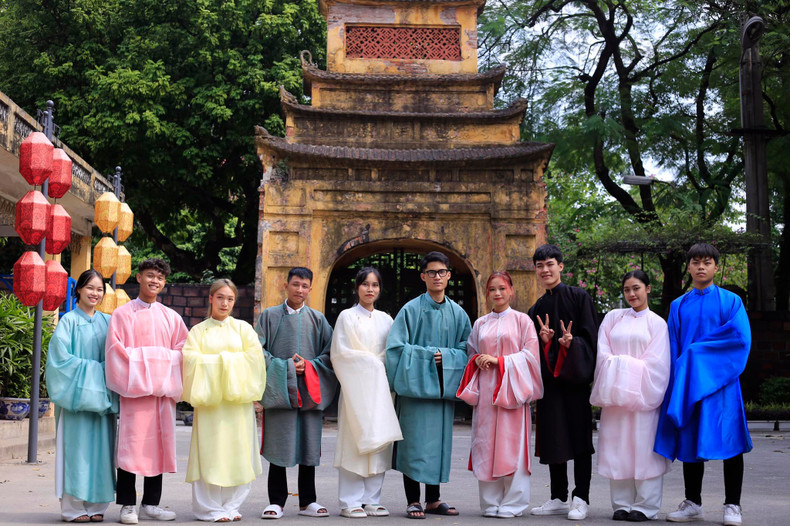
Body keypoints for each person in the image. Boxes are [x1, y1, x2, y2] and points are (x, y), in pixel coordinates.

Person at [654, 243, 752, 526]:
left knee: (731, 442)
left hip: (722, 384)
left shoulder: (731, 301)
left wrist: (696, 354)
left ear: (715, 267)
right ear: (688, 267)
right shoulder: (678, 306)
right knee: (689, 440)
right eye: (695, 262)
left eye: (707, 262)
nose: (701, 267)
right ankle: (693, 503)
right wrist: (676, 382)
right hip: (688, 385)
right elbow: (672, 348)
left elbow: (739, 339)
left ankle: (733, 505)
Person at [385, 251, 472, 519]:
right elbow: (395, 349)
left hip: (441, 393)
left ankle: (433, 499)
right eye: (431, 272)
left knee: (437, 445)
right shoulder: (410, 310)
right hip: (414, 391)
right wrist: (427, 357)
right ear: (423, 276)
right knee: (413, 444)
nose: (437, 277)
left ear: (448, 275)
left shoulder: (458, 314)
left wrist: (445, 357)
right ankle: (413, 500)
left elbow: (467, 350)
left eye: (441, 272)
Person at [105, 258, 188, 524]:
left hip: (162, 395)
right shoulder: (122, 314)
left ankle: (151, 503)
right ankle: (127, 504)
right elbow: (116, 353)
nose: (155, 281)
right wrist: (157, 361)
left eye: (160, 278)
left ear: (164, 283)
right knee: (130, 448)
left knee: (158, 447)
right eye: (150, 275)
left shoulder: (171, 317)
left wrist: (146, 360)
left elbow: (183, 352)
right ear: (139, 277)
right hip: (135, 394)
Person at [457, 271, 543, 518]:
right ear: (487, 294)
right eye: (492, 289)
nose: (497, 293)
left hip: (512, 391)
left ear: (511, 291)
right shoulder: (480, 324)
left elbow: (531, 356)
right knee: (486, 444)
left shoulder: (522, 321)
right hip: (486, 392)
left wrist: (500, 361)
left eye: (502, 288)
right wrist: (477, 360)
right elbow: (471, 352)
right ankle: (490, 502)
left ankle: (514, 503)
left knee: (512, 445)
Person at [255, 267, 337, 520]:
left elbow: (330, 354)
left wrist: (309, 366)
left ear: (310, 289)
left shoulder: (318, 319)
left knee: (308, 445)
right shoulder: (269, 317)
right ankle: (276, 501)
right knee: (279, 443)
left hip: (310, 390)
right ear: (286, 285)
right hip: (280, 391)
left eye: (304, 286)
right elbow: (257, 351)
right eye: (295, 284)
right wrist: (287, 367)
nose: (299, 290)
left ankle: (308, 501)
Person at [182, 279, 267, 522]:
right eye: (220, 297)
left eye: (230, 299)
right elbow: (190, 361)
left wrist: (215, 361)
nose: (224, 303)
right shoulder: (198, 331)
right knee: (209, 454)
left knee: (237, 452)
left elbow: (255, 360)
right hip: (210, 404)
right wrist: (227, 360)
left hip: (237, 404)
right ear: (211, 298)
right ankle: (208, 508)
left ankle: (231, 505)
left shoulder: (243, 329)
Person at [590, 270, 671, 522]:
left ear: (648, 288)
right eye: (627, 290)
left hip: (643, 398)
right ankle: (621, 503)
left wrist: (621, 368)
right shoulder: (613, 318)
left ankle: (646, 505)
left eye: (636, 288)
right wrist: (622, 370)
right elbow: (603, 354)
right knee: (618, 448)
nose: (631, 294)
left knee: (644, 449)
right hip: (615, 398)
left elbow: (658, 364)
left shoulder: (657, 324)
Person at [527, 244, 598, 521]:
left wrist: (572, 344)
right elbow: (531, 350)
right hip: (550, 385)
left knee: (580, 440)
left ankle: (581, 497)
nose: (545, 270)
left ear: (561, 266)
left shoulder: (579, 297)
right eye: (540, 266)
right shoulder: (536, 308)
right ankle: (558, 496)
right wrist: (546, 343)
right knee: (554, 438)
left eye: (550, 264)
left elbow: (591, 339)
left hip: (575, 382)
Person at [46, 269, 119, 523]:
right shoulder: (68, 321)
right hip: (75, 400)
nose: (95, 293)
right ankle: (73, 508)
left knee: (101, 453)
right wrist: (97, 372)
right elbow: (59, 362)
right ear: (78, 289)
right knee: (75, 453)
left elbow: (116, 358)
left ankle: (97, 505)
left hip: (101, 403)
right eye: (90, 288)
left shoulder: (108, 322)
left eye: (100, 289)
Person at [331, 267, 403, 518]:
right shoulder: (347, 317)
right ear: (357, 287)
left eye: (375, 285)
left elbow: (393, 351)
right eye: (365, 284)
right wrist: (373, 363)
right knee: (354, 441)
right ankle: (350, 501)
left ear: (380, 289)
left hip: (381, 390)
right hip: (356, 390)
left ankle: (372, 499)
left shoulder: (386, 319)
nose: (370, 289)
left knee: (379, 441)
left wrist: (379, 365)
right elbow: (341, 353)